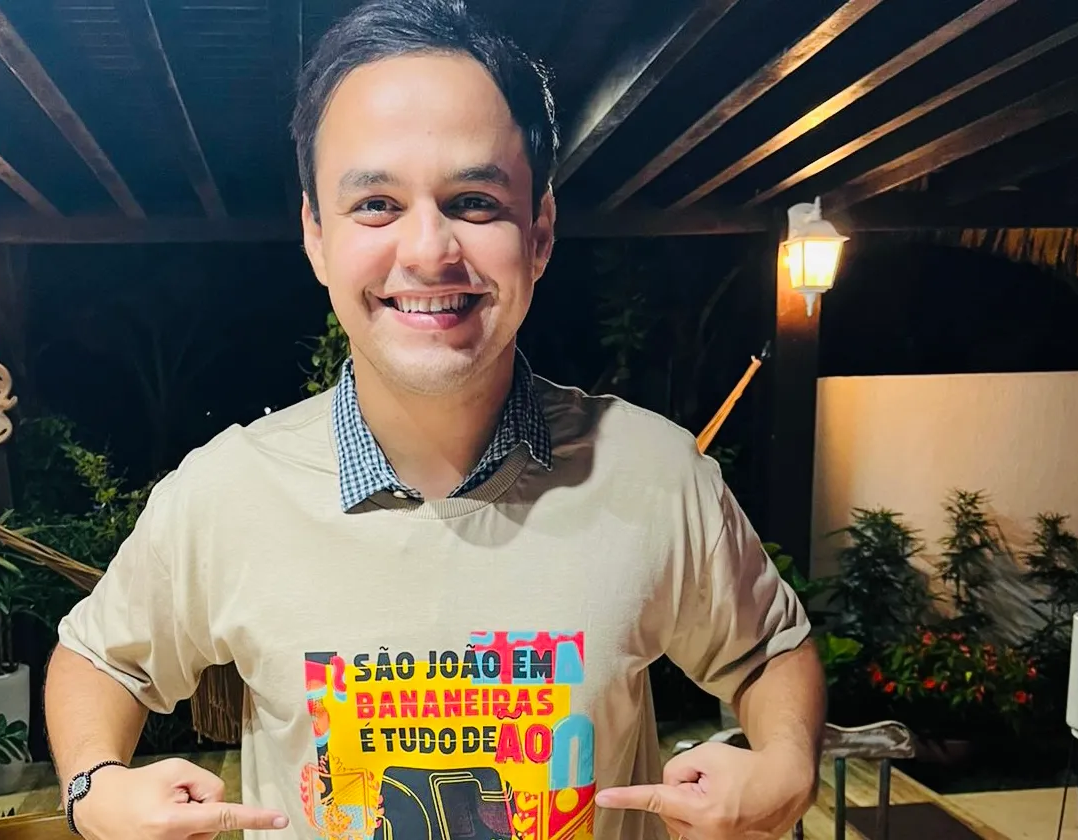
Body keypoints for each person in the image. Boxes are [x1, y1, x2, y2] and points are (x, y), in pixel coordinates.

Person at [43, 0, 826, 838]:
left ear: (540, 231)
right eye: (376, 204)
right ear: (316, 235)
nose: (427, 251)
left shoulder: (656, 475)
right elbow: (97, 659)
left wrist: (787, 765)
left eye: (475, 202)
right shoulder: (225, 493)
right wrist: (93, 789)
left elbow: (770, 652)